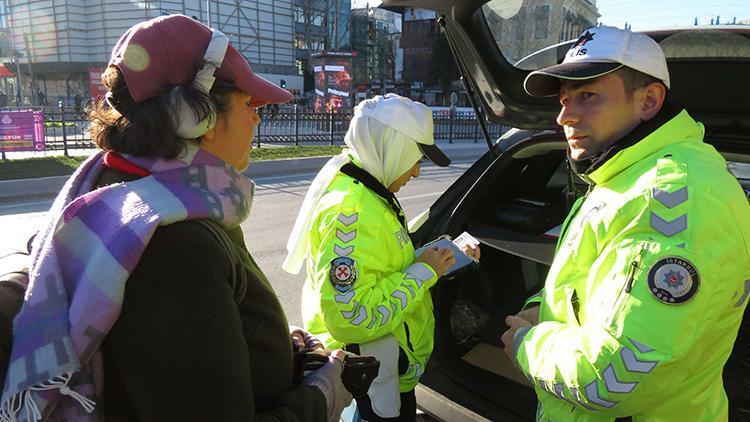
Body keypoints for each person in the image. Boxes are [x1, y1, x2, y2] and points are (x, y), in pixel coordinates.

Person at [0, 14, 351, 421]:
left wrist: (281, 350)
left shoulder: (117, 189)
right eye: (249, 103)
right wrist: (323, 395)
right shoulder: (174, 243)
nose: (257, 117)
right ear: (195, 115)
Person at [501, 25, 750, 421]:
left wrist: (526, 343)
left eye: (588, 95)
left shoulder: (671, 198)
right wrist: (542, 311)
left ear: (649, 100)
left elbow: (612, 379)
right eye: (564, 99)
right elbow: (588, 282)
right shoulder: (625, 176)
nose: (565, 115)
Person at [283, 93, 480, 422]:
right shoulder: (353, 211)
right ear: (392, 147)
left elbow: (373, 269)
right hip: (368, 386)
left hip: (380, 374)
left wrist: (430, 262)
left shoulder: (369, 189)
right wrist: (422, 273)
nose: (417, 172)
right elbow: (352, 315)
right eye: (415, 158)